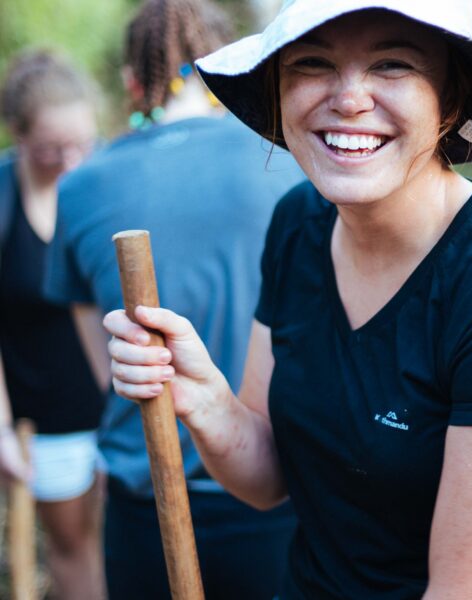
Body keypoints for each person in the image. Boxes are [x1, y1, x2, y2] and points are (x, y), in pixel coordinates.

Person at [104, 0, 472, 598]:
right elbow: (269, 481)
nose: (350, 98)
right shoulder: (299, 224)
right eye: (312, 62)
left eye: (392, 65)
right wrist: (203, 399)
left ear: (450, 98)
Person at [42, 0, 304, 598]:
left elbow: (107, 362)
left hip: (146, 501)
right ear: (225, 70)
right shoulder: (290, 158)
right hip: (277, 490)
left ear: (133, 80)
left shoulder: (81, 187)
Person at [0, 49, 104, 600]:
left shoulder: (104, 183)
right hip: (44, 423)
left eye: (80, 147)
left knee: (123, 546)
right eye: (49, 150)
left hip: (118, 410)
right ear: (17, 136)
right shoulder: (2, 196)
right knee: (73, 551)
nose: (68, 163)